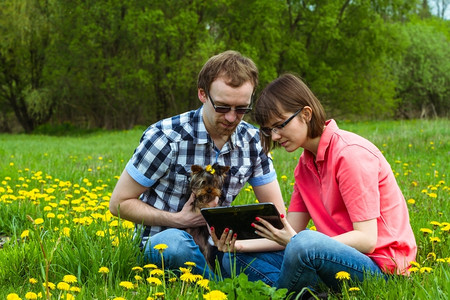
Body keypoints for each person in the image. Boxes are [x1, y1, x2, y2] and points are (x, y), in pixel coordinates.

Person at [220, 73, 417, 295]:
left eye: (279, 126)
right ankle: (304, 294)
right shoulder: (304, 166)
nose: (274, 136)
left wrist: (297, 241)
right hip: (331, 258)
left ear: (305, 114)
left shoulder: (350, 154)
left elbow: (367, 239)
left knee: (305, 242)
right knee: (233, 260)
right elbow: (290, 231)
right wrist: (238, 245)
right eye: (269, 130)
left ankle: (289, 294)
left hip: (381, 268)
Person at [109, 50, 286, 279]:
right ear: (203, 94)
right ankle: (218, 289)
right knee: (175, 245)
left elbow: (277, 215)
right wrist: (178, 220)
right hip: (165, 238)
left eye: (242, 109)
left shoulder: (252, 141)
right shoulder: (166, 137)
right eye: (222, 107)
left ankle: (288, 290)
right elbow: (119, 204)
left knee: (287, 249)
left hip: (220, 244)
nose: (232, 118)